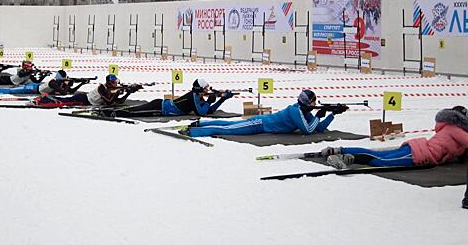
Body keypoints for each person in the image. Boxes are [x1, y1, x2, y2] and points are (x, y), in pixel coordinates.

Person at [322, 106, 468, 170]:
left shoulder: (449, 128)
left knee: (378, 155)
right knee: (382, 161)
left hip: (418, 149)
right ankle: (350, 158)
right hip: (420, 153)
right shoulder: (454, 129)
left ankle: (339, 150)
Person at [182, 89, 345, 137]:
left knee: (229, 126)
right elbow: (308, 130)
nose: (315, 105)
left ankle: (199, 124)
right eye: (313, 102)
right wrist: (318, 115)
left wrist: (332, 115)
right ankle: (195, 130)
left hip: (260, 125)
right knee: (228, 129)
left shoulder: (302, 111)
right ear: (307, 102)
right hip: (259, 124)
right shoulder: (296, 111)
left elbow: (318, 128)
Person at [98, 78, 233, 118]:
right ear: (200, 89)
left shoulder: (197, 97)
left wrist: (223, 99)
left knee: (134, 110)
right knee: (134, 112)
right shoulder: (193, 97)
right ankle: (109, 112)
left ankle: (109, 112)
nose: (207, 91)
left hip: (161, 107)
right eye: (205, 89)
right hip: (160, 107)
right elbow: (202, 112)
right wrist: (210, 100)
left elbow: (209, 110)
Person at [33, 74, 140, 107]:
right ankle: (42, 101)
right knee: (64, 102)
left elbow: (118, 101)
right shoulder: (102, 88)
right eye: (115, 82)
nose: (116, 84)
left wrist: (128, 93)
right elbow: (109, 102)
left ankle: (45, 98)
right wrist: (117, 93)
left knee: (64, 99)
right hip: (83, 100)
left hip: (85, 98)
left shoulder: (109, 89)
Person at [0, 70, 90, 95]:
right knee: (11, 91)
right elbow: (64, 92)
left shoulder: (58, 83)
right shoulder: (53, 83)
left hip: (37, 87)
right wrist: (67, 85)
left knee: (12, 90)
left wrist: (81, 84)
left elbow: (70, 91)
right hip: (32, 88)